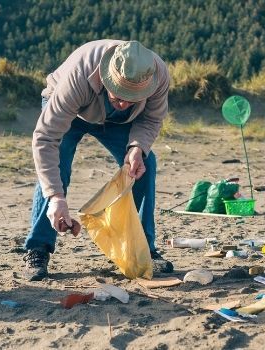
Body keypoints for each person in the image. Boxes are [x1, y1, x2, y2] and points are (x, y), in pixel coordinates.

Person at [22, 40, 172, 281]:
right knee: (56, 167)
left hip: (118, 123)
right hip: (72, 110)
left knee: (144, 165)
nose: (124, 103)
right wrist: (55, 197)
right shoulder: (79, 76)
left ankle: (144, 250)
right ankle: (38, 249)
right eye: (119, 96)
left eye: (132, 98)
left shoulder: (158, 74)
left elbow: (151, 119)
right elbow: (45, 138)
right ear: (106, 79)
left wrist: (137, 147)